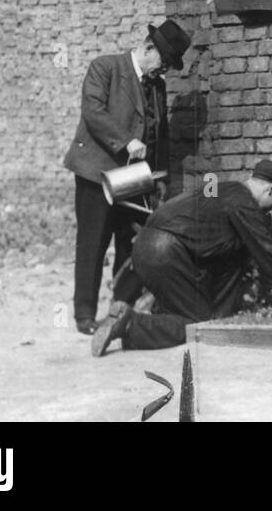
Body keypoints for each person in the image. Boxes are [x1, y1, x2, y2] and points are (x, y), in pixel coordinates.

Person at [91, 159, 272, 356]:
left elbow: (218, 249)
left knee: (183, 310)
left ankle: (136, 315)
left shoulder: (220, 189)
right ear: (271, 189)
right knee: (195, 324)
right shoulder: (243, 202)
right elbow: (267, 249)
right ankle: (130, 324)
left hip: (143, 247)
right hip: (166, 252)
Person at [62, 19, 192, 335]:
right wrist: (125, 141)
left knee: (133, 243)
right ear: (149, 49)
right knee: (92, 244)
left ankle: (119, 309)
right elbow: (93, 113)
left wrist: (160, 178)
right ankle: (84, 316)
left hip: (134, 179)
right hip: (97, 175)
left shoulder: (156, 86)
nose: (164, 72)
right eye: (164, 64)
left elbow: (160, 134)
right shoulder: (105, 68)